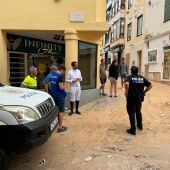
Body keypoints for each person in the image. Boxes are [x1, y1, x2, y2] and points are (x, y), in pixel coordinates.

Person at [124, 66, 152, 135]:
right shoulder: (141, 78)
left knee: (131, 112)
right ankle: (140, 126)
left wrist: (126, 92)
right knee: (138, 111)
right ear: (137, 71)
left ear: (131, 71)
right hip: (139, 98)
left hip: (131, 98)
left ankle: (133, 130)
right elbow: (150, 85)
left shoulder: (129, 77)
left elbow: (126, 84)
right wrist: (144, 92)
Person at [47, 65, 67, 133]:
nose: (63, 73)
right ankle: (60, 127)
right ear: (62, 70)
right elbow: (61, 87)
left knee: (55, 111)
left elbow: (49, 85)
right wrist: (66, 84)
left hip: (53, 95)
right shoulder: (60, 76)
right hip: (60, 96)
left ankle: (55, 125)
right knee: (61, 111)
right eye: (64, 71)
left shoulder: (51, 75)